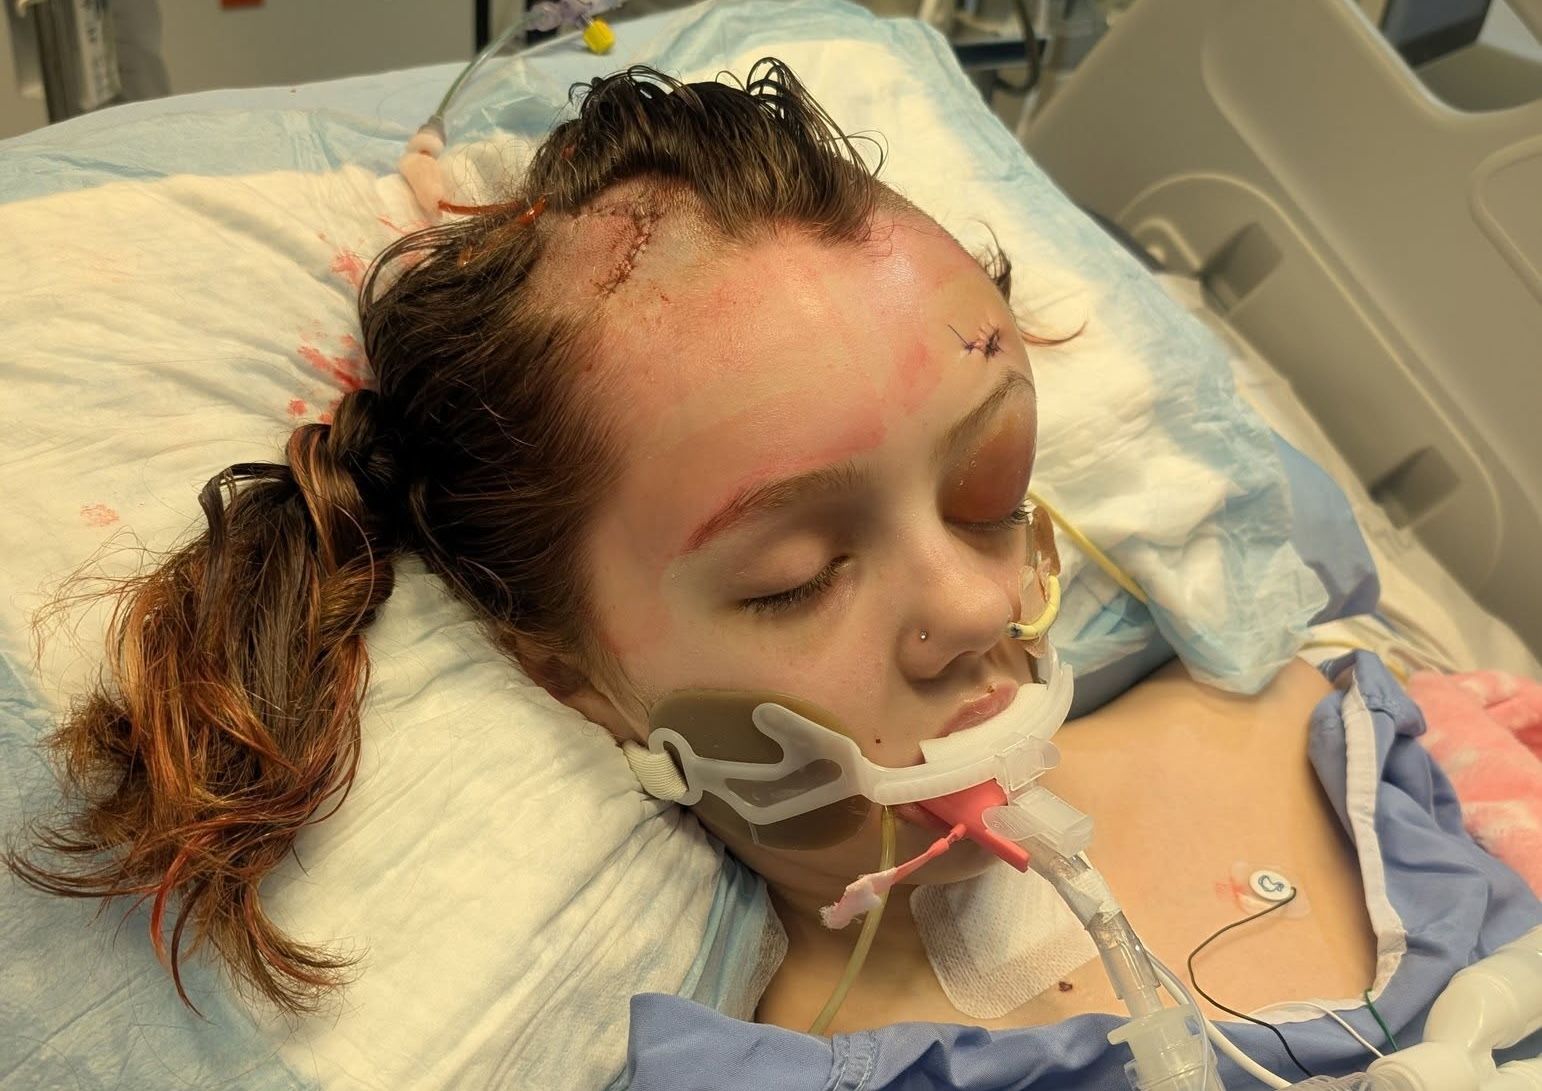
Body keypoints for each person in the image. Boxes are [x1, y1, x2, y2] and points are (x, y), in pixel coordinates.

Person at [0, 60, 1496, 1044]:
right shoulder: (779, 1064)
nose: (978, 601)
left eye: (989, 484)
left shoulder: (1335, 719)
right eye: (795, 577)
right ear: (567, 674)